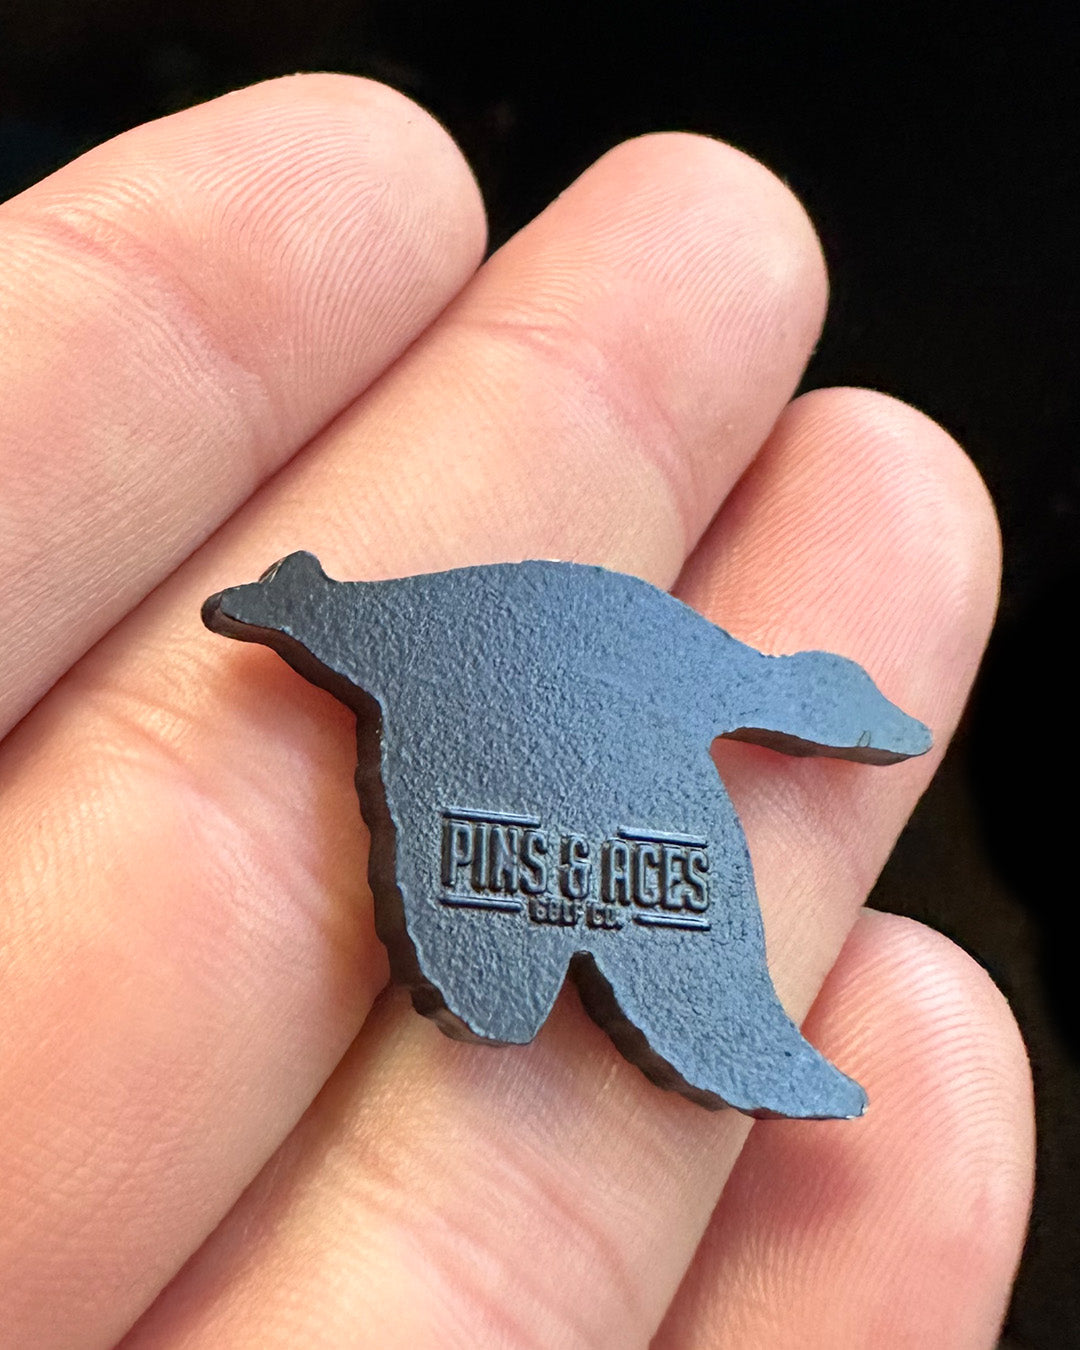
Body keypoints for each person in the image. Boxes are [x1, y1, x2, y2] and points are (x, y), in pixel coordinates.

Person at [0, 73, 1033, 1348]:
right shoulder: (445, 650)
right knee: (494, 948)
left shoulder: (578, 651)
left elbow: (745, 702)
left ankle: (644, 986)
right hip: (556, 723)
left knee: (542, 930)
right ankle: (577, 968)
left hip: (608, 716)